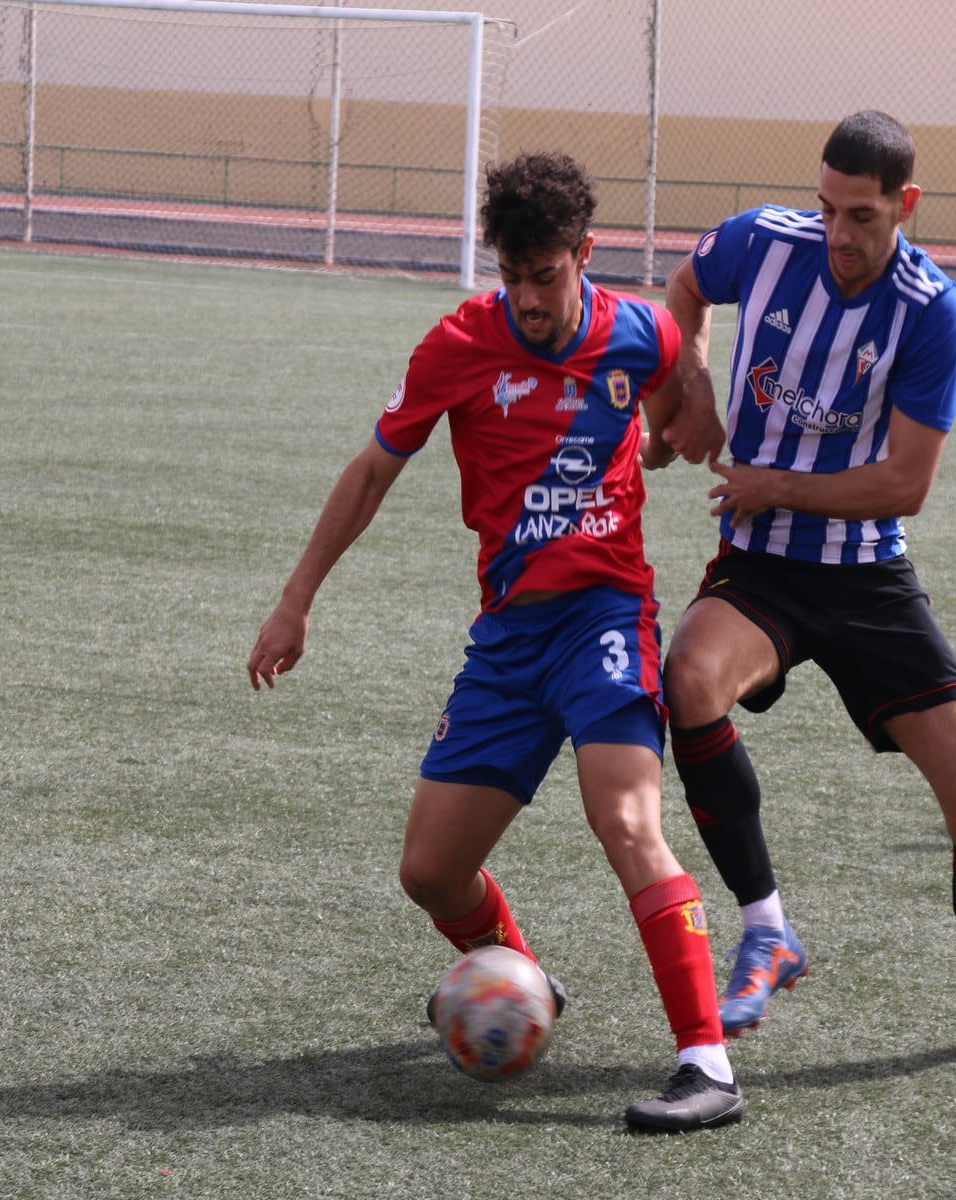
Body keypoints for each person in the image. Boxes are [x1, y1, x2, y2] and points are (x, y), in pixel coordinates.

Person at [247, 151, 745, 1132]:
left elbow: (685, 389)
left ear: (583, 256)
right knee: (429, 874)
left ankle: (707, 1064)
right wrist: (295, 599)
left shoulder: (633, 330)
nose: (527, 299)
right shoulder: (458, 345)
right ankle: (523, 978)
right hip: (509, 643)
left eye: (545, 276)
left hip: (606, 619)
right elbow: (370, 475)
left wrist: (674, 423)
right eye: (511, 276)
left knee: (629, 825)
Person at [648, 110, 956, 1071]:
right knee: (691, 680)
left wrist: (772, 483)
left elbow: (906, 482)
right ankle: (767, 930)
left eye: (863, 215)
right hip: (764, 566)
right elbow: (685, 286)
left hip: (868, 574)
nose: (839, 232)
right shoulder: (766, 241)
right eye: (829, 207)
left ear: (905, 206)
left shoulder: (930, 309)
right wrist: (695, 386)